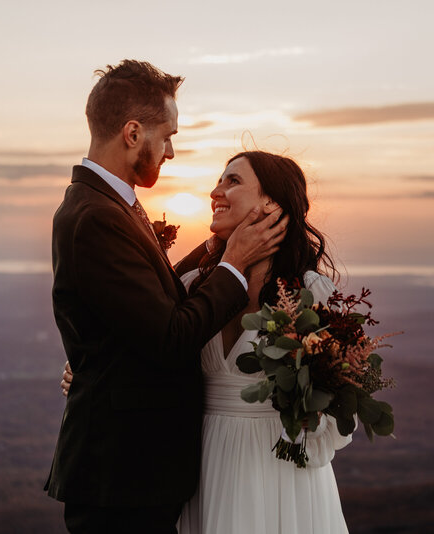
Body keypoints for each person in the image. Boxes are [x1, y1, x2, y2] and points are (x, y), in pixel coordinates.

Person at [45, 60, 287, 534]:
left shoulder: (113, 205)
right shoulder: (96, 216)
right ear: (133, 133)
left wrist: (222, 245)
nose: (172, 152)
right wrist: (234, 263)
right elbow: (173, 335)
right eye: (168, 135)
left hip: (139, 474)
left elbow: (149, 303)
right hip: (121, 476)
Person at [62, 151, 352, 533]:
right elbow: (155, 343)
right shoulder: (191, 286)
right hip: (202, 464)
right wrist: (91, 371)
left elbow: (339, 408)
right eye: (219, 179)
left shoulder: (313, 294)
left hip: (280, 471)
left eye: (232, 181)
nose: (215, 191)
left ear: (270, 202)